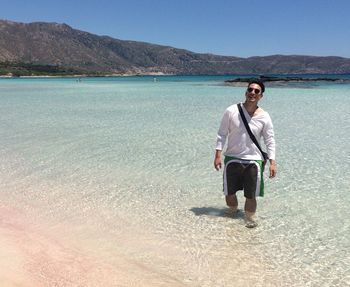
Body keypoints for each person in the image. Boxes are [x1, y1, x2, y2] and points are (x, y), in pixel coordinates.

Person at [214, 79, 276, 228]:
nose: (252, 93)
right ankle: (233, 214)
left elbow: (270, 140)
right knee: (229, 193)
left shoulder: (264, 116)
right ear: (245, 92)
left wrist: (272, 162)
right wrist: (217, 155)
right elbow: (222, 134)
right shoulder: (231, 110)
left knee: (251, 195)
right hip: (232, 158)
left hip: (254, 161)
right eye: (250, 90)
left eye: (256, 91)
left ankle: (248, 220)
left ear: (261, 96)